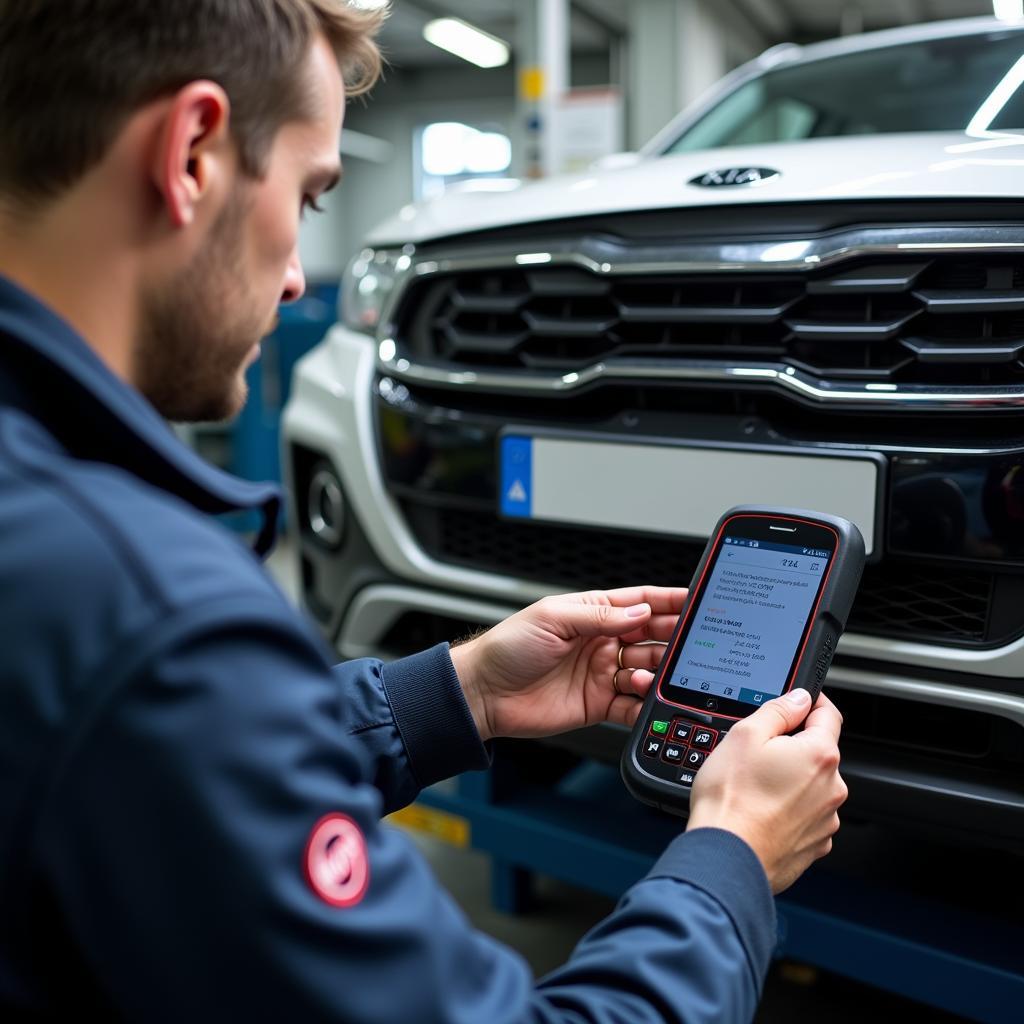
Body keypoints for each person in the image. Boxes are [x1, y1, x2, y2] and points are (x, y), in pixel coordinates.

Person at [0, 2, 847, 1020]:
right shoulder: (150, 616)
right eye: (311, 197)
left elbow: (159, 771)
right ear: (190, 154)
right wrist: (731, 862)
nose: (293, 283)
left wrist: (464, 694)